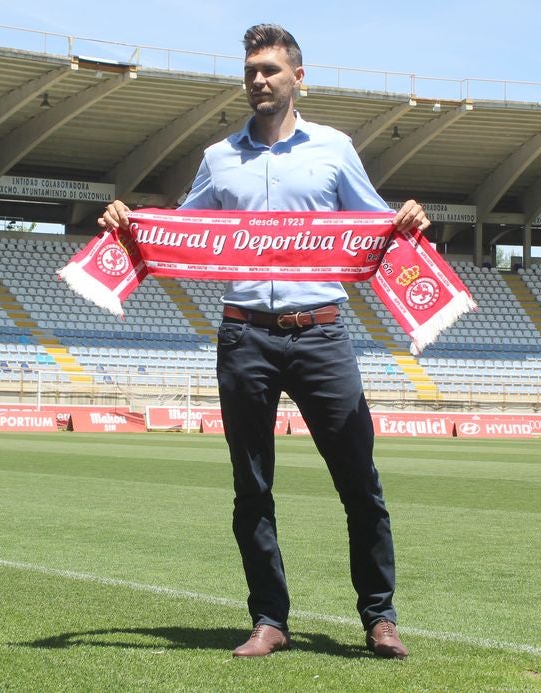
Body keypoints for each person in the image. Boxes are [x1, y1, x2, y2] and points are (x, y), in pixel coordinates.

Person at [100, 23, 427, 659]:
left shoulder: (334, 148)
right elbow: (178, 228)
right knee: (252, 486)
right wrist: (127, 219)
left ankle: (380, 618)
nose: (259, 80)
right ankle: (269, 620)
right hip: (244, 333)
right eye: (251, 70)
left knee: (359, 483)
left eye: (271, 70)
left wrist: (406, 215)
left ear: (297, 77)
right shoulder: (220, 157)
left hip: (321, 331)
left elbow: (376, 222)